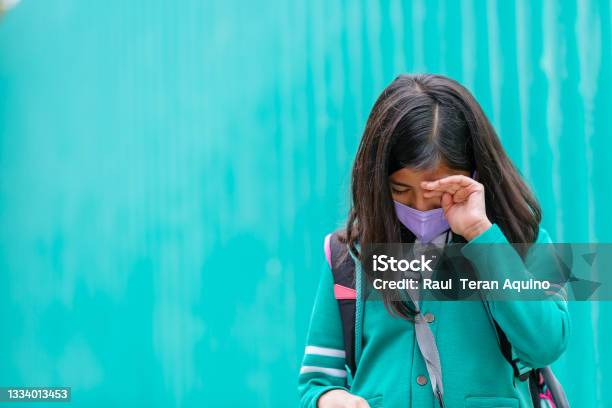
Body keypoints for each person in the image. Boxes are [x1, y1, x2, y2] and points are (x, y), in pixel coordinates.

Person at [297, 74, 570, 408]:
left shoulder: (521, 239)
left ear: (474, 173)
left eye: (438, 191)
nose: (421, 207)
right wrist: (330, 400)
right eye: (401, 191)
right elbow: (315, 382)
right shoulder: (346, 256)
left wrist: (482, 236)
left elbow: (547, 343)